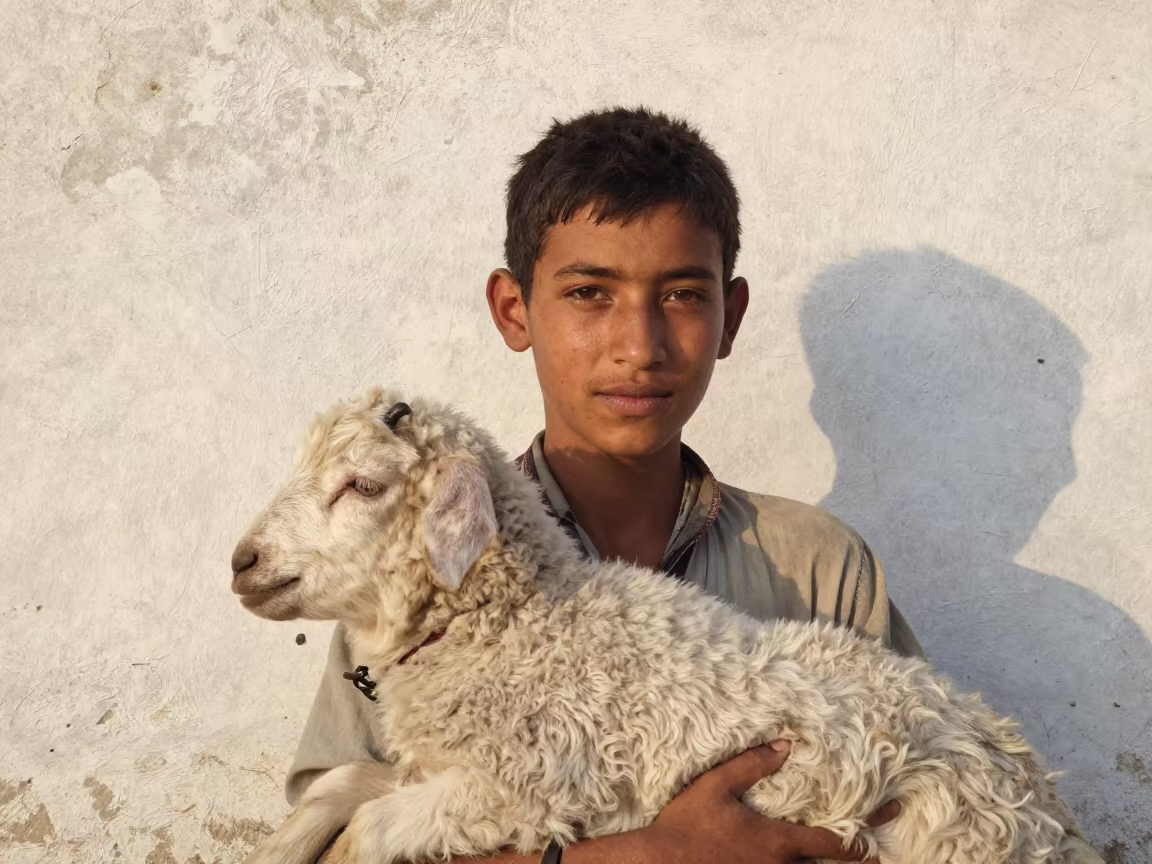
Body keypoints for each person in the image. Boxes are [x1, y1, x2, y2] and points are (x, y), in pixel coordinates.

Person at [287, 105, 923, 863]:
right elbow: (331, 852)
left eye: (684, 294)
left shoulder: (819, 567)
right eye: (590, 293)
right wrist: (651, 855)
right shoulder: (415, 579)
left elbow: (906, 805)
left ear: (731, 315)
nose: (639, 345)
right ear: (513, 308)